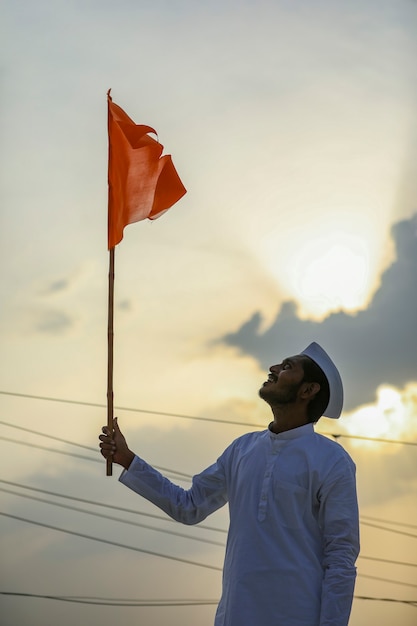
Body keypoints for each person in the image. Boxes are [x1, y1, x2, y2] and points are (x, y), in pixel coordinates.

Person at [99, 342, 360, 626]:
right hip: (236, 613)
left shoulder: (332, 460)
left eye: (286, 367)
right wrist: (128, 459)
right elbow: (189, 506)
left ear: (308, 390)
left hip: (298, 615)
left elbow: (340, 557)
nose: (273, 370)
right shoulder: (242, 450)